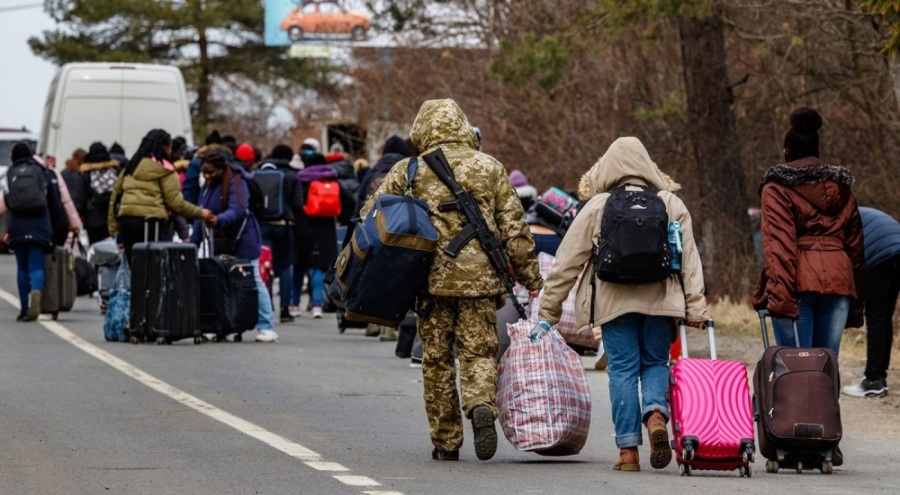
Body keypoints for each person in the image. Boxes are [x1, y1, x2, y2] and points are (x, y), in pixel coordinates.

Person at [361, 99, 542, 462]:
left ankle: (446, 440)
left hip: (427, 280)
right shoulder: (489, 167)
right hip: (479, 282)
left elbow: (371, 217)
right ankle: (480, 403)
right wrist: (530, 276)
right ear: (462, 126)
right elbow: (515, 230)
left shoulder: (408, 170)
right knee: (478, 351)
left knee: (437, 358)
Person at [537, 136, 708, 472]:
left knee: (623, 370)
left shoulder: (598, 206)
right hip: (661, 300)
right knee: (656, 362)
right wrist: (696, 307)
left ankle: (628, 452)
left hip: (614, 302)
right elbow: (690, 260)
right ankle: (656, 414)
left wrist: (549, 311)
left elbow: (566, 263)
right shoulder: (670, 203)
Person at [753, 107, 865, 354]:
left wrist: (781, 299)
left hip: (797, 284)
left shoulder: (777, 188)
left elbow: (779, 246)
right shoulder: (844, 189)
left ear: (787, 152)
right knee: (826, 366)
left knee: (796, 368)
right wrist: (857, 304)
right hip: (839, 280)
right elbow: (855, 248)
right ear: (817, 150)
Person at [190, 152, 279, 343]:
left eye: (211, 172)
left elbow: (238, 209)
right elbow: (200, 214)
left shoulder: (237, 182)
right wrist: (192, 245)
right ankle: (222, 324)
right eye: (204, 173)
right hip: (220, 240)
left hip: (244, 238)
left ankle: (267, 326)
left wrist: (218, 220)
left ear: (222, 169)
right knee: (219, 282)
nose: (207, 176)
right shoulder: (207, 186)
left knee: (253, 279)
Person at [107, 129, 213, 265]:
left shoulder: (131, 166)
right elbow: (175, 203)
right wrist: (200, 213)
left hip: (126, 222)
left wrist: (114, 229)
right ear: (165, 147)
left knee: (136, 271)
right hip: (150, 223)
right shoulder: (165, 169)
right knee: (153, 270)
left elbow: (115, 199)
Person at [841, 207, 900, 398]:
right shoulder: (858, 211)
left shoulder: (838, 218)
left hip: (879, 256)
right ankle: (879, 378)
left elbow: (847, 259)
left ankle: (873, 381)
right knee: (884, 318)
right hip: (896, 251)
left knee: (875, 318)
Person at [5, 143, 67, 321]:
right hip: (39, 225)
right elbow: (55, 204)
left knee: (22, 268)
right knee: (36, 266)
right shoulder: (42, 172)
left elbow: (8, 201)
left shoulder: (11, 173)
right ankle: (36, 297)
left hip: (17, 225)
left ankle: (24, 309)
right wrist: (57, 229)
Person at [256, 144, 304, 322]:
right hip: (284, 225)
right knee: (285, 266)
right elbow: (299, 204)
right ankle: (285, 309)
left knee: (265, 266)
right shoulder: (292, 175)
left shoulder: (258, 174)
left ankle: (267, 305)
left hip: (262, 225)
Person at [80, 142, 121, 245]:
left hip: (93, 220)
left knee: (96, 252)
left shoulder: (86, 174)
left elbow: (82, 197)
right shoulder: (115, 171)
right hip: (112, 217)